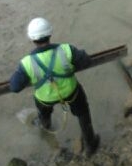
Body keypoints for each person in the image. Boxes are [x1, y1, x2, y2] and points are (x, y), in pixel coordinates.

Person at [9, 17, 100, 155]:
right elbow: (87, 61)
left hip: (45, 99)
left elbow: (14, 87)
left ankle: (46, 127)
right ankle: (90, 144)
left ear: (32, 39)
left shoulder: (27, 63)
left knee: (43, 114)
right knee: (82, 113)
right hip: (71, 93)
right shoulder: (66, 50)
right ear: (50, 34)